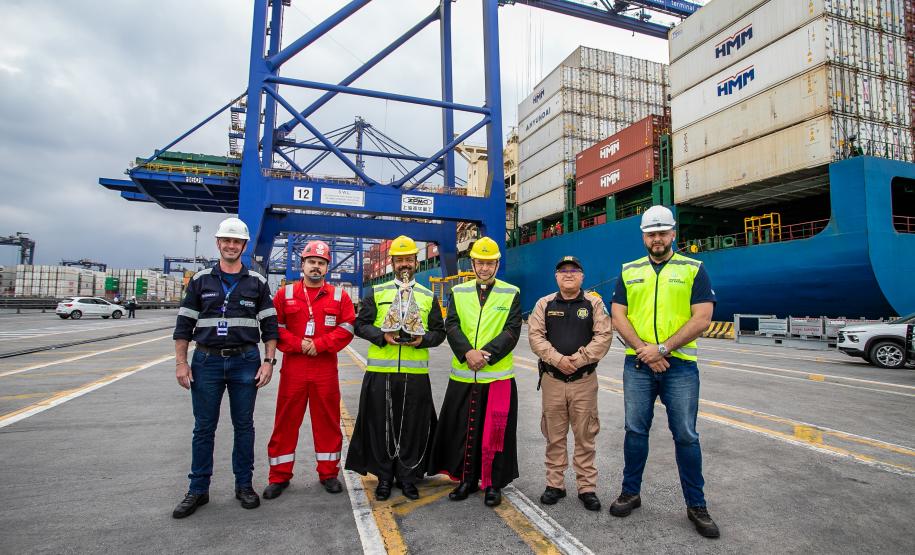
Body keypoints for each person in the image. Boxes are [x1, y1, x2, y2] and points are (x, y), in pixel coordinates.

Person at [608, 205, 719, 538]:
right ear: (644, 236)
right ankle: (631, 493)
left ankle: (696, 505)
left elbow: (702, 318)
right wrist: (646, 350)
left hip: (680, 365)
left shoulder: (694, 268)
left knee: (686, 435)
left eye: (662, 233)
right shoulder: (629, 270)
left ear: (673, 234)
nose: (656, 239)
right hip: (639, 363)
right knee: (634, 431)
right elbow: (618, 315)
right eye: (651, 233)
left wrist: (663, 348)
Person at [171, 217, 279, 519]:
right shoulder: (200, 280)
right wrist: (181, 364)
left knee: (244, 427)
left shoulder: (257, 282)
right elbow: (183, 326)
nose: (231, 246)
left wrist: (269, 362)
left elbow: (270, 327)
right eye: (226, 241)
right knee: (203, 428)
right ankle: (197, 490)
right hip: (206, 362)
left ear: (244, 246)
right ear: (219, 243)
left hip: (246, 361)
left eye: (237, 242)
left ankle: (244, 485)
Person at [346, 236, 445, 501]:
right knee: (382, 427)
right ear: (392, 263)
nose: (404, 264)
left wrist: (423, 340)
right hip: (381, 372)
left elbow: (439, 332)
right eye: (399, 260)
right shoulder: (376, 294)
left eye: (409, 260)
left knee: (413, 428)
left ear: (416, 262)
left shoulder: (426, 296)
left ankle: (408, 476)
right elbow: (360, 325)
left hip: (415, 374)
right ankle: (384, 477)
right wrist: (381, 336)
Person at [430, 236, 522, 508]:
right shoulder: (459, 292)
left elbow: (512, 330)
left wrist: (486, 355)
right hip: (464, 375)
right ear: (472, 263)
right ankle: (466, 479)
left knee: (495, 433)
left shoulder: (511, 292)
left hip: (497, 377)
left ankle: (493, 484)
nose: (484, 268)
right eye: (480, 263)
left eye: (489, 263)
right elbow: (452, 325)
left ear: (497, 264)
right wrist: (467, 353)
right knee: (464, 431)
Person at [263, 240, 356, 500]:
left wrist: (320, 344)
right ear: (302, 264)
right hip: (294, 368)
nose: (316, 266)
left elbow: (348, 326)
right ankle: (278, 476)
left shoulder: (340, 296)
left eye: (321, 262)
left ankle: (328, 473)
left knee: (327, 421)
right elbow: (275, 327)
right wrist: (299, 345)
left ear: (327, 267)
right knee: (285, 420)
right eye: (312, 261)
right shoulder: (285, 294)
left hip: (324, 367)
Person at [528, 255, 612, 511]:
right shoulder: (544, 303)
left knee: (585, 435)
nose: (568, 274)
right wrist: (557, 359)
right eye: (563, 270)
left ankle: (587, 487)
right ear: (556, 276)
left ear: (582, 276)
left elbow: (604, 336)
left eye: (574, 270)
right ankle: (555, 485)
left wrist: (576, 360)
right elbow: (535, 336)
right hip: (553, 380)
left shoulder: (594, 304)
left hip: (584, 381)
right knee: (554, 436)